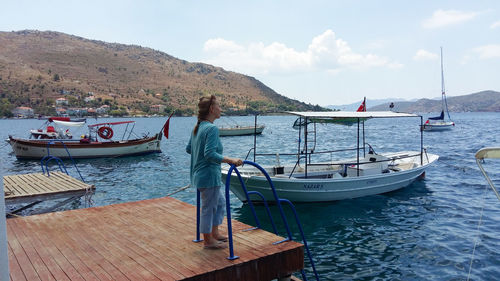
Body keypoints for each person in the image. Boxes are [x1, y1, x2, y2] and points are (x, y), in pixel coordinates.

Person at [186, 95, 243, 250]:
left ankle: (215, 233)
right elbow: (210, 154)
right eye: (218, 106)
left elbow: (189, 149)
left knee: (219, 204)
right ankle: (208, 241)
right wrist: (230, 160)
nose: (220, 109)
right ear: (212, 109)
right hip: (209, 176)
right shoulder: (211, 129)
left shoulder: (198, 127)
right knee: (208, 208)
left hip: (202, 175)